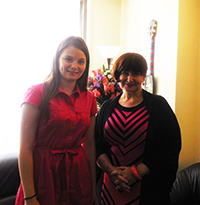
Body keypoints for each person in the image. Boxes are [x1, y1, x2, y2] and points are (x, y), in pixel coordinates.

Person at [15, 36, 98, 205]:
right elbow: (25, 148)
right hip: (43, 174)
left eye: (81, 61)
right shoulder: (37, 93)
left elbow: (89, 145)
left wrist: (93, 187)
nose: (75, 66)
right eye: (68, 59)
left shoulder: (89, 98)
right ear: (57, 59)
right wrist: (29, 196)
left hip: (77, 175)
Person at [95, 52, 181, 205]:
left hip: (147, 188)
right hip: (109, 187)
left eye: (136, 73)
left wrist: (135, 173)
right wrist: (112, 171)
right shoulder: (107, 107)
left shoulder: (158, 106)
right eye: (125, 73)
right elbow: (97, 145)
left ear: (143, 77)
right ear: (116, 76)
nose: (130, 79)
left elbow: (170, 147)